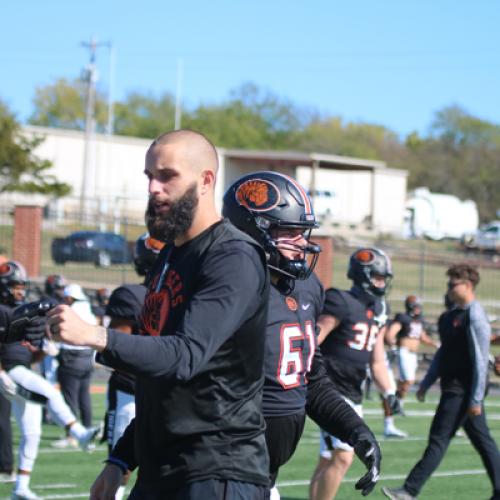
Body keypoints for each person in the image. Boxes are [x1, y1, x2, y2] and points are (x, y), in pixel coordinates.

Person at [47, 129, 272, 500]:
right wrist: (121, 459)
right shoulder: (169, 256)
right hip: (161, 469)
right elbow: (161, 376)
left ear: (205, 181)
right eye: (149, 176)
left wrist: (95, 336)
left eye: (167, 176)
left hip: (216, 471)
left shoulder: (232, 257)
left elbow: (184, 357)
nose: (153, 187)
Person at [222, 171, 382, 499]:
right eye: (291, 232)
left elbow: (310, 377)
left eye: (303, 232)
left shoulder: (307, 286)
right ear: (253, 230)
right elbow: (178, 378)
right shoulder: (226, 290)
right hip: (221, 464)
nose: (303, 243)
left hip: (264, 471)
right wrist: (123, 457)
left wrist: (356, 430)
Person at [382, 264, 500, 500]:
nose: (447, 288)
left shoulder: (475, 316)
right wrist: (427, 382)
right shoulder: (449, 317)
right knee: (483, 440)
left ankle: (409, 490)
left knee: (438, 439)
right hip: (452, 387)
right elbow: (443, 352)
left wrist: (475, 398)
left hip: (462, 390)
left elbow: (479, 360)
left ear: (466, 286)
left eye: (452, 284)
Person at [0, 261, 99, 500]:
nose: (20, 290)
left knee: (32, 433)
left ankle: (21, 487)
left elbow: (28, 353)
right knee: (51, 393)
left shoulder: (19, 311)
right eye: (15, 286)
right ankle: (79, 433)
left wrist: (45, 350)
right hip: (10, 372)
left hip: (21, 369)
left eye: (22, 285)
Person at [309, 248, 402, 500]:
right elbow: (311, 340)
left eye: (385, 278)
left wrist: (390, 392)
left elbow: (378, 360)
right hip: (331, 389)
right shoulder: (340, 301)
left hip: (353, 392)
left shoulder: (378, 309)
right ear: (363, 275)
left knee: (328, 458)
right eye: (378, 277)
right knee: (343, 457)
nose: (382, 283)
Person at [102, 232, 163, 500]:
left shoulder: (132, 294)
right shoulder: (182, 295)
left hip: (140, 389)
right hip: (147, 389)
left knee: (121, 467)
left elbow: (117, 350)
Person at [52, 283, 97, 449]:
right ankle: (88, 428)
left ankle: (72, 435)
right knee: (84, 397)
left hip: (71, 359)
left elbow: (60, 335)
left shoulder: (70, 312)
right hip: (87, 358)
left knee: (70, 398)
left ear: (70, 298)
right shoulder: (88, 311)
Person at [385, 295, 439, 412]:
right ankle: (397, 403)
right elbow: (391, 333)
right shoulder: (403, 318)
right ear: (410, 306)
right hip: (404, 352)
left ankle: (397, 403)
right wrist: (393, 344)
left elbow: (422, 337)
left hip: (413, 355)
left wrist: (435, 344)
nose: (419, 308)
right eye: (416, 306)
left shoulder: (419, 320)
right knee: (408, 380)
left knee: (405, 382)